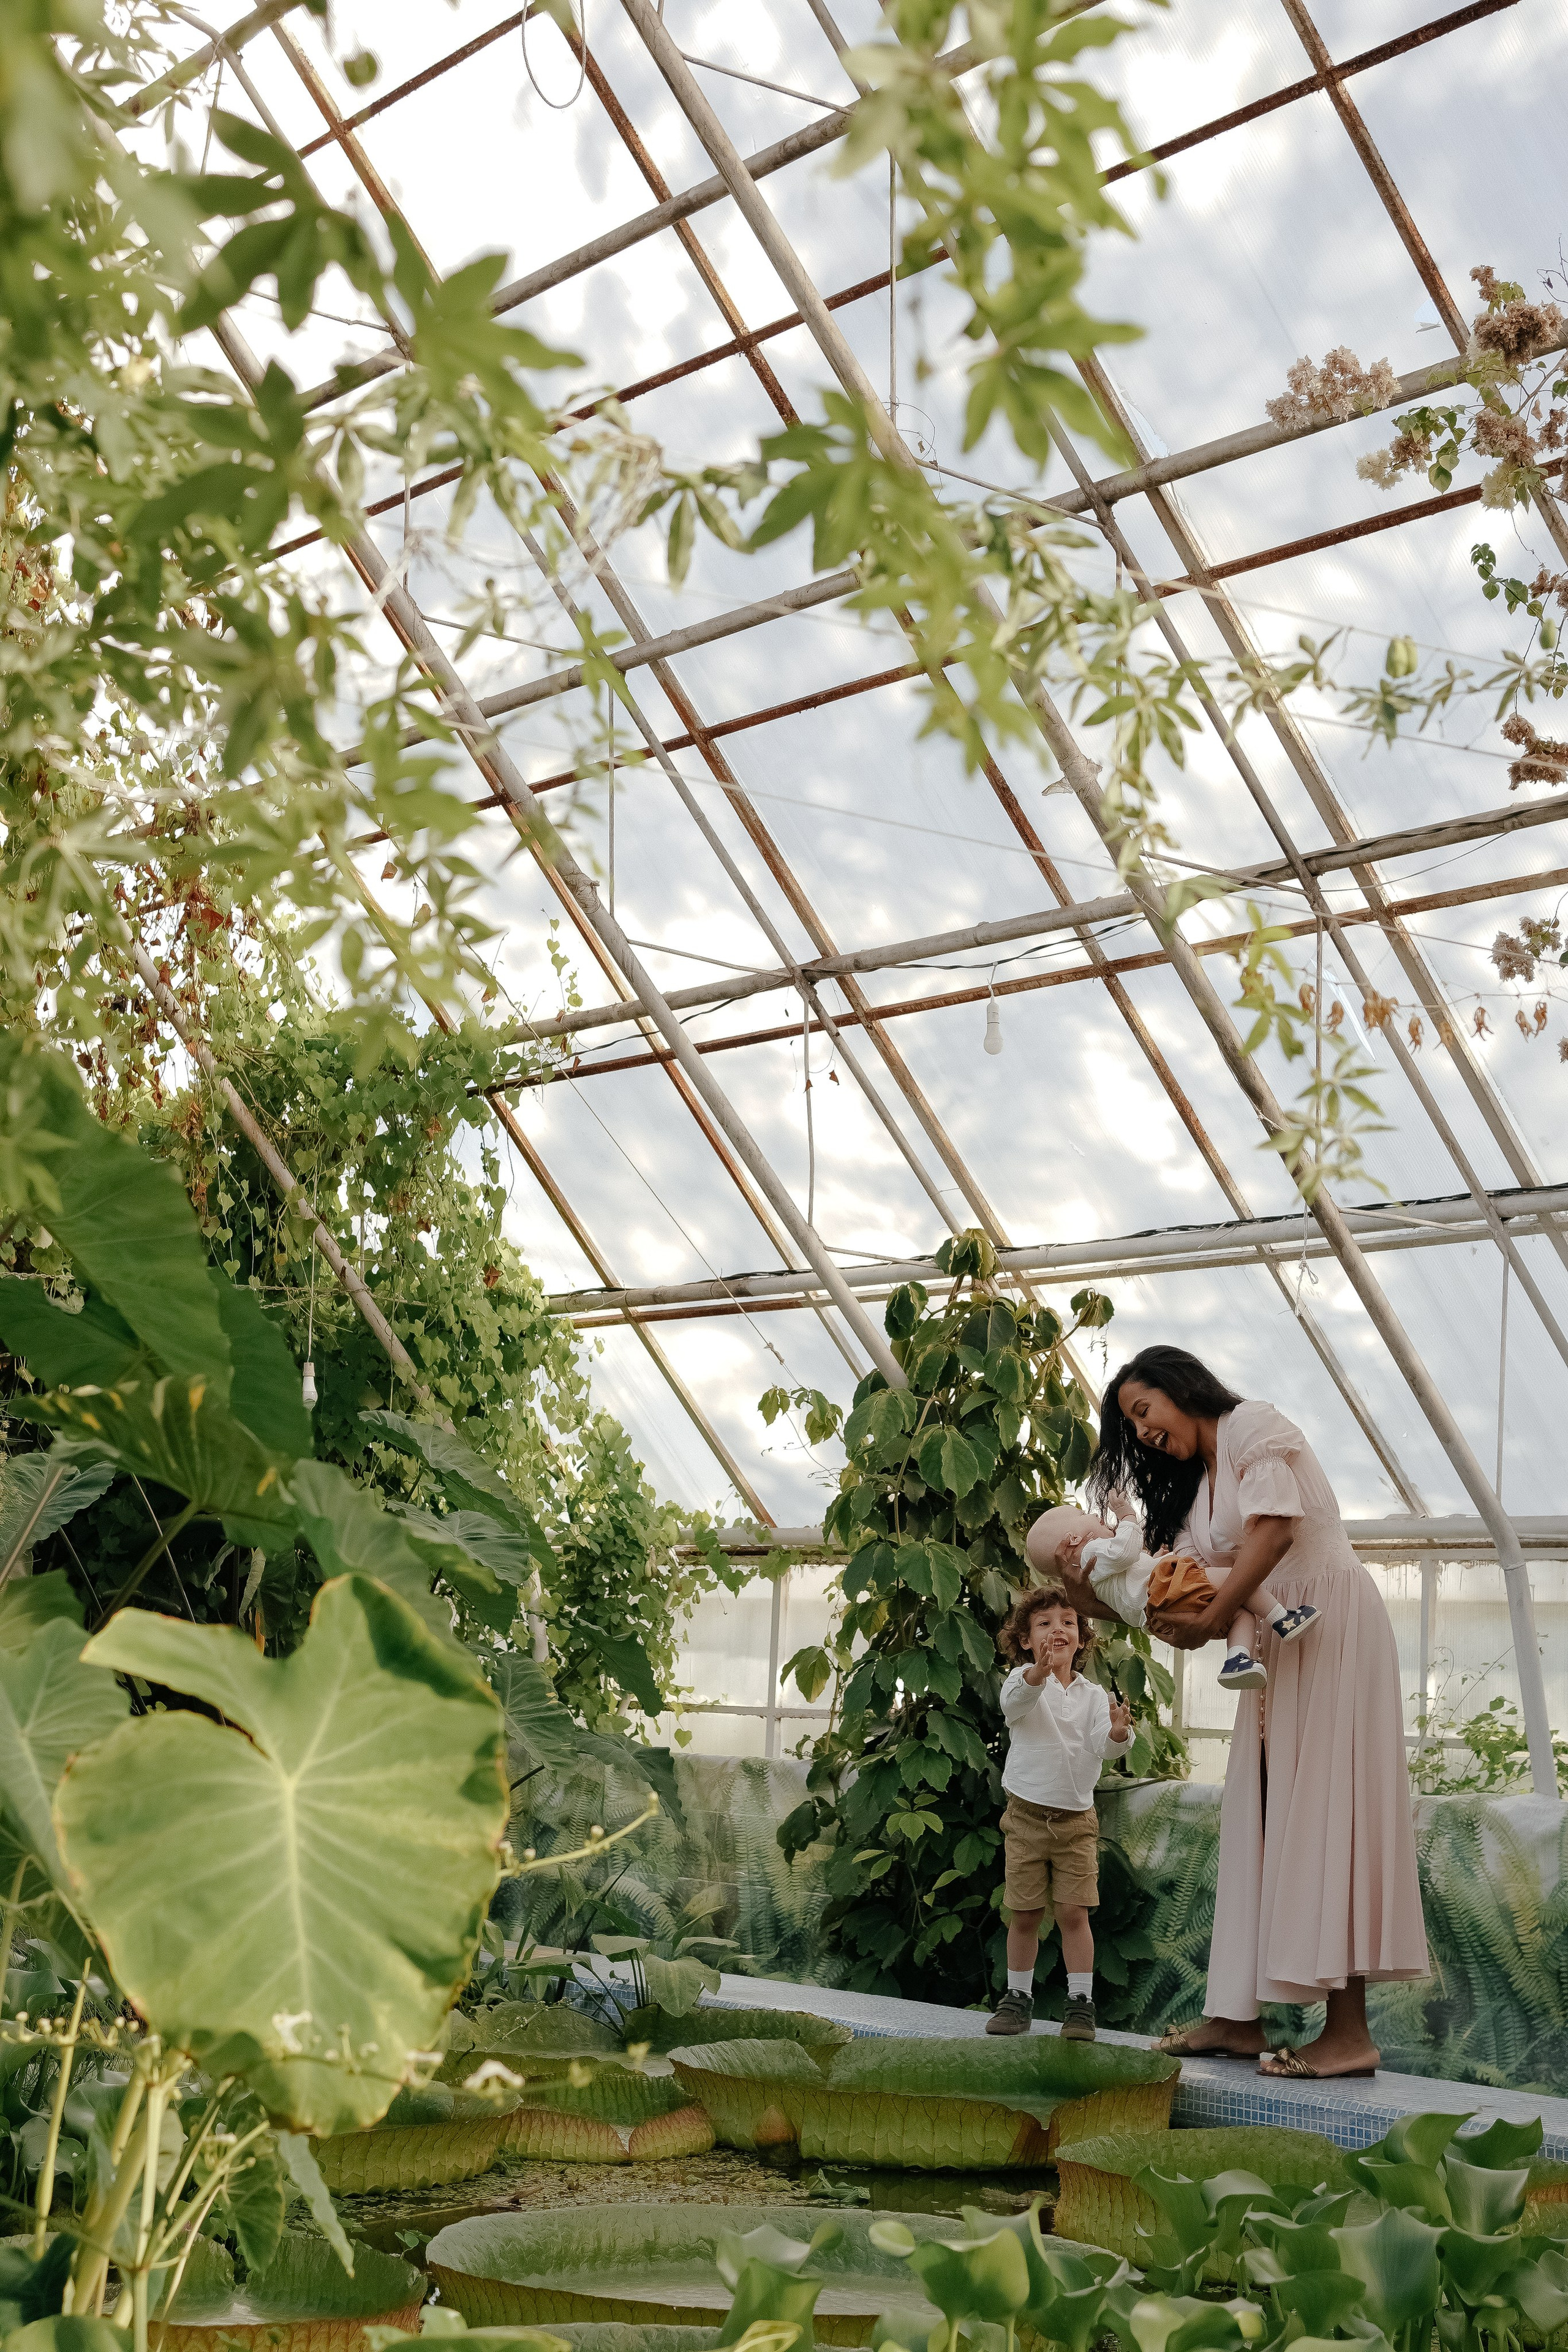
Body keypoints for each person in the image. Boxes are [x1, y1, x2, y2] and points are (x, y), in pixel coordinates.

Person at [1058, 1344, 1427, 2080]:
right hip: (1269, 1649)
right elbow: (1191, 1588)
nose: (1142, 1434)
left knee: (1329, 1815)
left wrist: (1213, 1617)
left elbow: (1275, 1533)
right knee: (1258, 1816)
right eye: (1131, 1429)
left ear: (1178, 1387)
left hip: (1328, 1627)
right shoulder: (1196, 1493)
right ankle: (1235, 2018)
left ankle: (1348, 2034)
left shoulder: (1254, 1425)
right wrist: (1086, 1585)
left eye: (1142, 1412)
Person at [987, 1585, 1133, 2040]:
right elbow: (1016, 1705)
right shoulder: (1019, 1680)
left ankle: (1080, 2003)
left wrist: (1117, 1733)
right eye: (1045, 1623)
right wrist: (1039, 1674)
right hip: (1026, 1819)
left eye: (1068, 1622)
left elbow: (1101, 1748)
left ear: (1082, 1638)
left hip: (1076, 1824)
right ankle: (1017, 1999)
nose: (1058, 1629)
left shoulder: (1092, 1695)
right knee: (1025, 1913)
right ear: (1026, 1640)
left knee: (1074, 1913)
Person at [1027, 1502, 1319, 1691]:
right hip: (1166, 1589)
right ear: (1074, 1540)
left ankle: (1238, 1659)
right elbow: (1126, 1550)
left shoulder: (1095, 1576)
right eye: (1083, 1515)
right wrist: (1127, 1516)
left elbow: (1132, 1578)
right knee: (1237, 1579)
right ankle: (1283, 1619)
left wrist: (1154, 1561)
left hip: (1159, 1607)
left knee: (1241, 1613)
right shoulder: (1092, 1554)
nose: (1094, 1515)